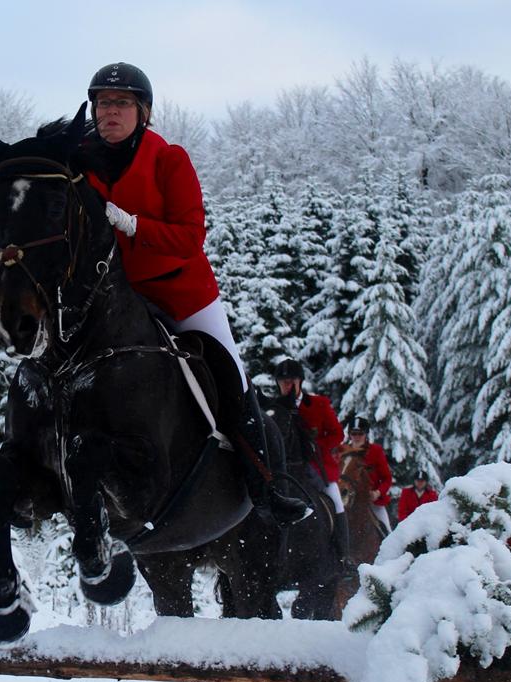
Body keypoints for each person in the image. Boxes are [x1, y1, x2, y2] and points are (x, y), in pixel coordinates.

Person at [81, 62, 307, 525]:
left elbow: (190, 236)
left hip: (180, 294)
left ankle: (264, 485)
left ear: (142, 112)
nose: (110, 111)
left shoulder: (170, 159)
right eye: (103, 102)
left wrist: (132, 225)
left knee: (231, 378)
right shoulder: (81, 159)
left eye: (122, 103)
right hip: (114, 299)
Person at [272, 358, 350, 561]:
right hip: (283, 468)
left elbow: (337, 434)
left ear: (300, 382)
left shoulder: (318, 404)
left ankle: (342, 554)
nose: (287, 385)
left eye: (291, 381)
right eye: (283, 382)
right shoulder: (274, 409)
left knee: (336, 501)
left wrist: (316, 445)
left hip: (316, 467)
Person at [340, 416, 394, 535]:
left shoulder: (376, 451)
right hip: (347, 499)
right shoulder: (343, 451)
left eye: (360, 433)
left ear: (366, 434)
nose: (357, 437)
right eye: (354, 433)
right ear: (349, 435)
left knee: (387, 532)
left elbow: (387, 478)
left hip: (371, 500)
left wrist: (377, 493)